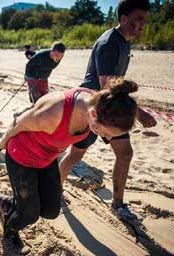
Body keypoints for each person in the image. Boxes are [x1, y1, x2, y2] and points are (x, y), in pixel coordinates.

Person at [0, 80, 139, 249]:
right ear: (93, 115)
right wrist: (3, 143)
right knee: (30, 215)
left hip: (47, 159)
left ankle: (13, 203)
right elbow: (17, 123)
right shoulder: (53, 112)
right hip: (21, 157)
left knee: (50, 210)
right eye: (105, 133)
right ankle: (10, 230)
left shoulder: (102, 104)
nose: (107, 138)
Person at [59, 0, 157, 223]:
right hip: (93, 108)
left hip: (110, 107)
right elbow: (106, 87)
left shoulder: (124, 41)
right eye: (138, 18)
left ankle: (118, 205)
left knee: (125, 153)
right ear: (124, 19)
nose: (143, 23)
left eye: (145, 18)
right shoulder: (109, 43)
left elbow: (115, 86)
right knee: (76, 154)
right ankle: (56, 191)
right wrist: (138, 114)